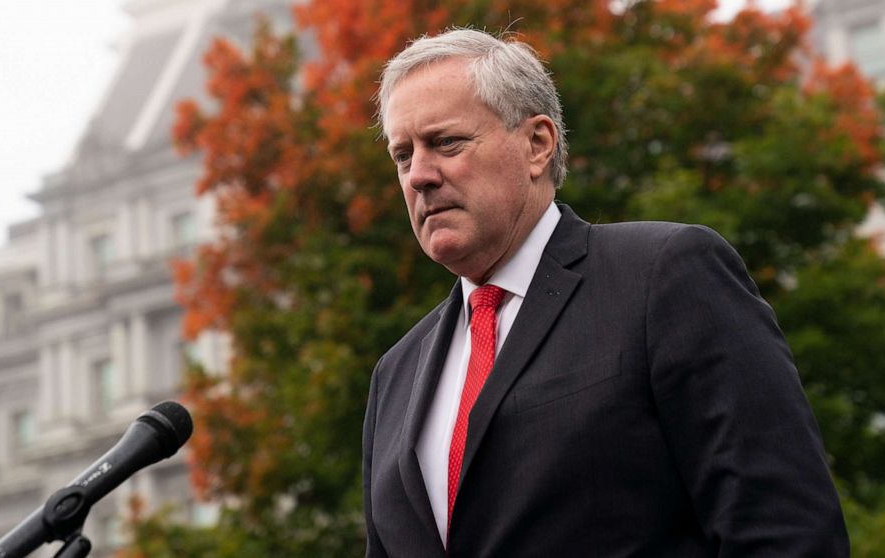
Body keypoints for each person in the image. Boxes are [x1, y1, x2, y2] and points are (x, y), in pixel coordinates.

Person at [363, 28, 848, 557]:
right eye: (403, 156)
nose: (419, 177)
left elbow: (784, 529)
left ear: (537, 144)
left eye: (446, 143)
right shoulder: (395, 372)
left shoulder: (662, 276)